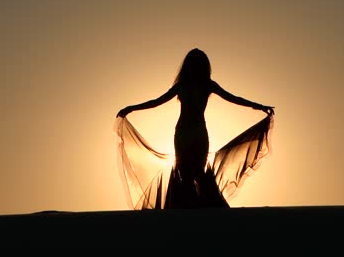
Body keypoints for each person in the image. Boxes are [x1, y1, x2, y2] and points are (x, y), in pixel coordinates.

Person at [115, 48, 274, 209]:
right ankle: (198, 209)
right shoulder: (200, 85)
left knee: (190, 174)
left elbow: (157, 101)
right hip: (192, 133)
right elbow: (157, 101)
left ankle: (195, 210)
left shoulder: (195, 85)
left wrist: (258, 106)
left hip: (189, 133)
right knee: (195, 173)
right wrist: (132, 108)